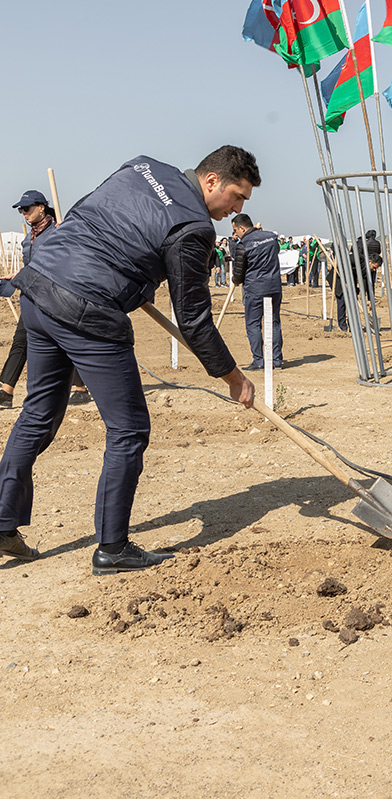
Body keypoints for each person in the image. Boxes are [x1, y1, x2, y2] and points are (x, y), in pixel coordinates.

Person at [0, 146, 259, 571]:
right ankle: (113, 547)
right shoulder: (193, 227)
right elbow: (194, 320)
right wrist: (234, 377)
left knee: (37, 415)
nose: (237, 209)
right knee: (129, 429)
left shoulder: (143, 166)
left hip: (38, 289)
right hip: (86, 309)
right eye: (237, 196)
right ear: (212, 181)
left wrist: (135, 281)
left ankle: (1, 522)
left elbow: (88, 215)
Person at [0, 191, 90, 410]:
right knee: (20, 341)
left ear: (41, 207)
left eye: (27, 208)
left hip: (56, 297)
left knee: (66, 340)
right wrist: (17, 276)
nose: (24, 213)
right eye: (21, 210)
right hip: (32, 296)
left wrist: (68, 233)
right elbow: (32, 267)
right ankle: (6, 392)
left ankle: (81, 388)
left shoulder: (59, 232)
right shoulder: (27, 239)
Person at [231, 213, 283, 371]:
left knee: (253, 324)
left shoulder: (243, 244)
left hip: (255, 289)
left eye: (236, 230)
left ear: (242, 228)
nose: (236, 234)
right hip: (274, 286)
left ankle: (259, 361)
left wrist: (235, 280)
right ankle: (276, 360)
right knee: (274, 322)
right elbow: (276, 251)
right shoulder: (271, 237)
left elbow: (239, 272)